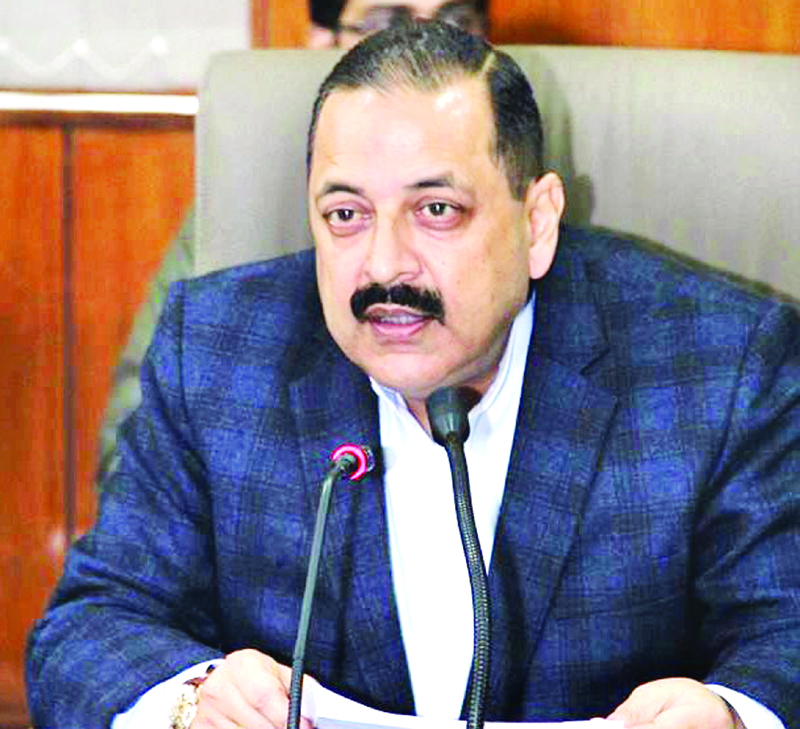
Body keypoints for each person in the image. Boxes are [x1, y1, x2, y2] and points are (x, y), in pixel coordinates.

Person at [28, 21, 799, 729]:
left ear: (537, 223)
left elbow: (786, 630)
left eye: (436, 210)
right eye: (346, 215)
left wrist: (734, 715)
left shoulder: (721, 364)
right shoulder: (221, 349)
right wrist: (190, 701)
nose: (385, 265)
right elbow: (89, 625)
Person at [96, 0, 490, 485]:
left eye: (454, 22)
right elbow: (132, 463)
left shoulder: (520, 211)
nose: (425, 48)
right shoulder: (234, 224)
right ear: (322, 43)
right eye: (388, 23)